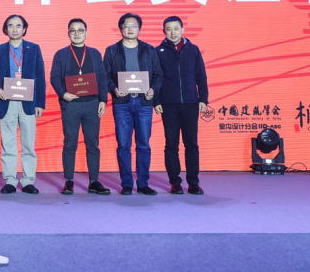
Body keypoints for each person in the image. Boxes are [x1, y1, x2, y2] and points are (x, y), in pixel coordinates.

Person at [0, 14, 45, 194]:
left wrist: (40, 103)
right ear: (6, 29)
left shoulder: (34, 49)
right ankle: (10, 180)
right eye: (10, 25)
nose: (14, 29)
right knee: (8, 143)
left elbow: (40, 76)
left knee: (28, 144)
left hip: (28, 102)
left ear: (24, 29)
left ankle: (28, 180)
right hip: (7, 101)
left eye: (18, 26)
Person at [49, 18, 110, 195]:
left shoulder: (94, 53)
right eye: (73, 30)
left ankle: (94, 181)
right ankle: (69, 180)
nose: (77, 34)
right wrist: (63, 94)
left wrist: (103, 100)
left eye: (80, 30)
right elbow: (54, 77)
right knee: (70, 143)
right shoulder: (61, 54)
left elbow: (102, 78)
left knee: (93, 143)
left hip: (92, 104)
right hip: (71, 105)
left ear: (86, 32)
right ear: (68, 33)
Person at [104, 12, 163, 196]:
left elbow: (158, 75)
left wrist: (153, 89)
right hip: (122, 103)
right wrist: (114, 89)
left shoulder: (149, 49)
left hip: (144, 102)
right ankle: (127, 184)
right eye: (126, 26)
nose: (130, 29)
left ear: (139, 29)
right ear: (121, 28)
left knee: (143, 144)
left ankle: (143, 183)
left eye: (134, 26)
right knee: (123, 144)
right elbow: (106, 76)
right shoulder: (112, 50)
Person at [155, 16, 209, 195]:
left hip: (190, 103)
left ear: (182, 30)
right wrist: (156, 101)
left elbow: (201, 75)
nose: (173, 32)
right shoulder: (158, 51)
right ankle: (175, 182)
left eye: (176, 28)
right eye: (168, 29)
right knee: (171, 144)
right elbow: (156, 78)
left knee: (191, 144)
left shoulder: (193, 50)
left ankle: (193, 182)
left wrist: (203, 99)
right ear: (164, 31)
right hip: (168, 104)